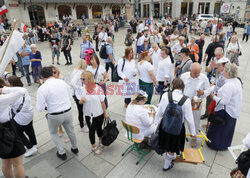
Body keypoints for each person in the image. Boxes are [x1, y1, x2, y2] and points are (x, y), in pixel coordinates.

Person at [36, 66, 78, 160]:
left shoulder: (42, 88)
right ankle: (74, 148)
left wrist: (48, 105)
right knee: (70, 131)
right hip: (67, 111)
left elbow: (40, 108)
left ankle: (62, 152)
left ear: (42, 77)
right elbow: (70, 97)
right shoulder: (62, 82)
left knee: (53, 133)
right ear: (52, 73)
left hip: (54, 115)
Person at [154, 78, 196, 171]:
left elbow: (160, 112)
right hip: (177, 129)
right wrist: (193, 133)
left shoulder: (165, 95)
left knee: (167, 145)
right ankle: (166, 166)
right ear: (182, 88)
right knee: (172, 148)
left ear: (172, 86)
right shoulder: (186, 100)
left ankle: (170, 158)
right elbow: (189, 118)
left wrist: (155, 124)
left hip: (165, 125)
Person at [207, 63, 242, 150]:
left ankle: (215, 145)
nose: (223, 72)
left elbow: (224, 101)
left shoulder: (228, 85)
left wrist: (213, 97)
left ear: (228, 73)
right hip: (233, 109)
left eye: (224, 71)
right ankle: (224, 144)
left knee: (219, 129)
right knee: (227, 130)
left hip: (225, 111)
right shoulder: (237, 81)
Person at [180, 63, 211, 147]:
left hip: (196, 104)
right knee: (182, 119)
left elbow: (208, 89)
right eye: (195, 73)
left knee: (195, 120)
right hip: (184, 102)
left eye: (198, 72)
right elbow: (179, 87)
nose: (197, 75)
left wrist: (203, 92)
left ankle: (194, 138)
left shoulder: (203, 78)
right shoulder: (183, 76)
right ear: (190, 71)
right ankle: (181, 135)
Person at [78, 71, 109, 155]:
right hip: (89, 115)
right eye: (81, 79)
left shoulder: (98, 88)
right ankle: (93, 146)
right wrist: (81, 101)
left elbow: (102, 102)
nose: (82, 80)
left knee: (99, 128)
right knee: (92, 131)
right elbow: (79, 102)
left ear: (89, 78)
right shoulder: (82, 89)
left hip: (99, 113)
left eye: (83, 79)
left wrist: (105, 113)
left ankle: (100, 139)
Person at [7, 76, 38, 158]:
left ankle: (30, 148)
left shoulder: (13, 95)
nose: (7, 84)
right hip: (29, 113)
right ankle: (34, 144)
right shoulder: (23, 89)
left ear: (12, 84)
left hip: (21, 116)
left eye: (8, 83)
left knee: (18, 133)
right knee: (29, 129)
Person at [0, 85, 27, 178]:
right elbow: (22, 90)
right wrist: (3, 89)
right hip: (6, 129)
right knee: (17, 162)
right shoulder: (2, 99)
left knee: (5, 160)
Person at [201, 47, 225, 120]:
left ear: (223, 54)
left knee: (216, 102)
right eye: (216, 55)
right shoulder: (213, 59)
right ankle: (207, 113)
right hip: (211, 83)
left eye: (219, 55)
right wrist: (211, 66)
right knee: (209, 99)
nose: (217, 57)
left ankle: (213, 116)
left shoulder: (225, 62)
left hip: (219, 86)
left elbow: (222, 73)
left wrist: (216, 67)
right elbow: (207, 70)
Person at [70, 60, 89, 132]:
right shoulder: (79, 72)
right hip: (78, 95)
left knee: (82, 110)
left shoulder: (75, 71)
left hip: (76, 94)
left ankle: (83, 122)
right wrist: (80, 88)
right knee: (81, 111)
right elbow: (72, 83)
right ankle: (82, 126)